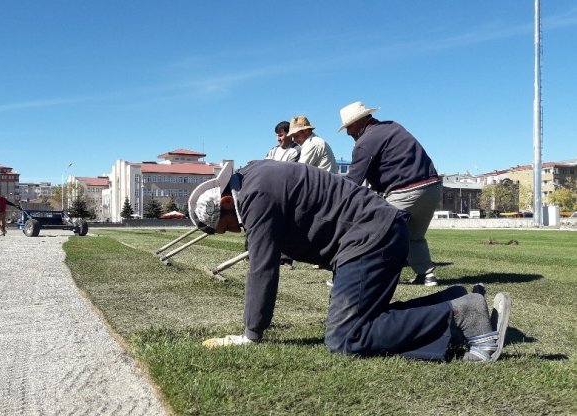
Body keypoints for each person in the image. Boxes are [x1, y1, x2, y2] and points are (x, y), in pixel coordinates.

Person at [188, 160, 511, 362]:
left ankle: (462, 316)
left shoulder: (256, 197)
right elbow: (301, 214)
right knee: (364, 320)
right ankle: (452, 300)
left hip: (370, 240)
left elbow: (262, 268)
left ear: (228, 202)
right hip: (375, 234)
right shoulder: (256, 174)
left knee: (347, 338)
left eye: (229, 226)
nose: (238, 231)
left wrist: (251, 333)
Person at [337, 101, 442, 286]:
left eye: (350, 126)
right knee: (413, 236)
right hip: (432, 189)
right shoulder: (393, 126)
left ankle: (358, 276)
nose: (348, 132)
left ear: (361, 121)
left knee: (374, 232)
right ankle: (427, 276)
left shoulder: (364, 143)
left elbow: (353, 181)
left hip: (405, 191)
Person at [265, 120, 300, 268]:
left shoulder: (296, 151)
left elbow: (288, 170)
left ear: (289, 134)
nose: (279, 139)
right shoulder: (273, 150)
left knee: (287, 225)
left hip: (288, 191)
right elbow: (265, 166)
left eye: (281, 135)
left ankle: (285, 260)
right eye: (277, 136)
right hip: (271, 190)